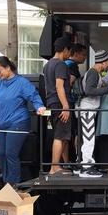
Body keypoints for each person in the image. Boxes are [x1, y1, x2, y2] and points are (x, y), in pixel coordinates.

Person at [0, 56, 46, 185]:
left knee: (10, 154)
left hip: (18, 123)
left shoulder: (22, 82)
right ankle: (6, 183)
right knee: (1, 154)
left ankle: (13, 185)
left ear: (8, 68)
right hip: (1, 125)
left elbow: (34, 95)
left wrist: (39, 106)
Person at [74, 49, 108, 178]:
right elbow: (90, 90)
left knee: (86, 138)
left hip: (85, 109)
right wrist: (105, 90)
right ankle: (86, 168)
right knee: (89, 138)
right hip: (88, 109)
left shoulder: (93, 73)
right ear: (104, 62)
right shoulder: (94, 73)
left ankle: (80, 165)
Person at [43, 37, 74, 174]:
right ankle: (54, 167)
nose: (70, 55)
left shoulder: (47, 65)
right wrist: (66, 106)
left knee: (60, 135)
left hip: (51, 103)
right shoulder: (61, 65)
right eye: (69, 51)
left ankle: (61, 165)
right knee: (60, 136)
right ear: (65, 49)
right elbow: (59, 86)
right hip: (60, 103)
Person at [66, 44, 88, 163]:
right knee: (73, 133)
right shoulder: (72, 65)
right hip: (69, 102)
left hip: (62, 102)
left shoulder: (64, 63)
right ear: (75, 54)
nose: (85, 57)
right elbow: (70, 82)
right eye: (83, 54)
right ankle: (74, 159)